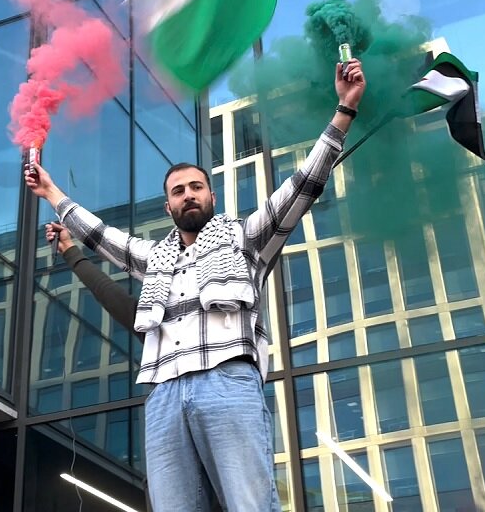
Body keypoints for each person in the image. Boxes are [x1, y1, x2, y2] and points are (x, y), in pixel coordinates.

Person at [25, 59, 366, 511]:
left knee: (249, 503)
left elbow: (302, 186)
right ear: (168, 206)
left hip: (227, 381)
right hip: (164, 393)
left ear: (211, 196)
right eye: (178, 191)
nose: (188, 195)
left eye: (196, 187)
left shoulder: (245, 238)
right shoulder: (155, 257)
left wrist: (343, 110)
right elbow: (102, 238)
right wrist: (52, 193)